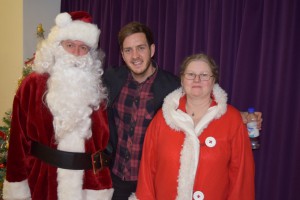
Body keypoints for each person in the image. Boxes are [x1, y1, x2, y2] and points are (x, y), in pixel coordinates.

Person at [103, 22, 261, 199]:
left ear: (152, 49)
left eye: (141, 48)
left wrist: (240, 116)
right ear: (122, 55)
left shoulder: (172, 86)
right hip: (117, 179)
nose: (135, 56)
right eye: (128, 50)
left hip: (153, 179)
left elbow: (201, 98)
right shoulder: (111, 79)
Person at [3, 11, 113, 200]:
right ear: (57, 46)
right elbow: (17, 143)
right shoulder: (33, 85)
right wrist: (17, 185)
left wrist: (100, 186)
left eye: (83, 48)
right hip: (43, 181)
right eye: (70, 45)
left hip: (86, 188)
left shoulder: (95, 89)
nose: (76, 54)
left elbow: (99, 146)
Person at [131, 53, 255, 200]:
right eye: (190, 74)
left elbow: (241, 176)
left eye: (204, 75)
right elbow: (147, 171)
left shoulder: (232, 120)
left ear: (213, 80)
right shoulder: (162, 119)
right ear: (182, 80)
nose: (197, 79)